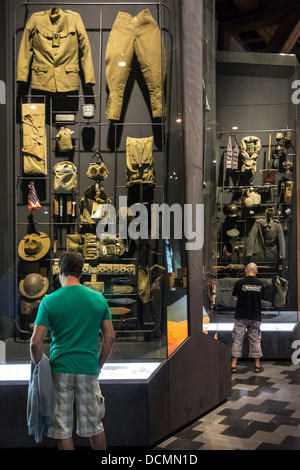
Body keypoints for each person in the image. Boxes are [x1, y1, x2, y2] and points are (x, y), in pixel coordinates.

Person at [30, 252, 115, 450]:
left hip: (60, 370)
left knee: (63, 430)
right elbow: (109, 336)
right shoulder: (98, 298)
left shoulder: (49, 300)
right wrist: (98, 365)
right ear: (82, 271)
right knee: (95, 426)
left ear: (60, 270)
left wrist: (40, 368)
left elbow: (35, 343)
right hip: (88, 368)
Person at [231, 262, 265, 374]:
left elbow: (235, 296)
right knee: (255, 340)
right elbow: (262, 298)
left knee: (237, 340)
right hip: (255, 316)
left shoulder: (239, 283)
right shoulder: (261, 284)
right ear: (257, 271)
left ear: (245, 271)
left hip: (241, 316)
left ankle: (233, 366)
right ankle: (257, 366)